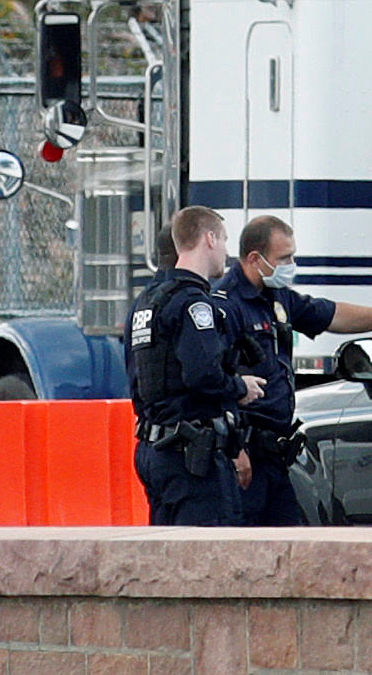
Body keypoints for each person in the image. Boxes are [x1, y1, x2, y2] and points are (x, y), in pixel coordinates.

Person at [221, 213, 372, 525]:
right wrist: (233, 448)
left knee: (286, 550)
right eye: (285, 257)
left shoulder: (277, 296)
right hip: (246, 455)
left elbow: (335, 316)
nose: (290, 264)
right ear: (255, 258)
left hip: (276, 455)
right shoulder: (225, 304)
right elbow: (211, 380)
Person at [127, 206, 265, 525]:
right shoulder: (194, 303)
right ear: (210, 238)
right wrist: (240, 387)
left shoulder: (147, 302)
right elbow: (202, 374)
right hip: (190, 457)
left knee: (165, 559)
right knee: (208, 558)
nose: (227, 253)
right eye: (225, 241)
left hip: (154, 449)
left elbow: (137, 378)